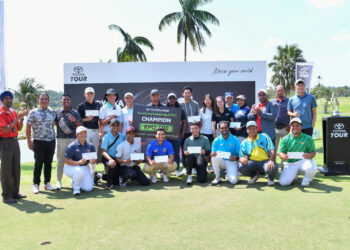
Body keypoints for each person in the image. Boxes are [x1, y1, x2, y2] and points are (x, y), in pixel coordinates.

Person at [0, 91, 28, 204]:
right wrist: (17, 118)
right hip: (5, 142)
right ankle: (6, 195)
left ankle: (15, 192)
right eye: (6, 98)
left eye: (10, 98)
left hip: (15, 141)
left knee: (16, 167)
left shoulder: (13, 112)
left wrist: (21, 119)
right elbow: (5, 130)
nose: (9, 100)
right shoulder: (1, 113)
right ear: (2, 100)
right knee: (6, 169)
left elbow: (19, 128)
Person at [26, 93, 56, 194]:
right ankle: (36, 184)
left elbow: (56, 124)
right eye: (42, 99)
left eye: (45, 99)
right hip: (38, 142)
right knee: (38, 163)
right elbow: (28, 127)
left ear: (48, 100)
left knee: (49, 163)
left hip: (51, 141)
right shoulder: (33, 112)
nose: (43, 101)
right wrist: (29, 141)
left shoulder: (53, 112)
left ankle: (47, 182)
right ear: (38, 100)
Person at [278, 117, 318, 187]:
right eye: (293, 126)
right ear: (290, 127)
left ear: (301, 127)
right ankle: (294, 175)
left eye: (297, 125)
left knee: (312, 167)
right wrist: (282, 156)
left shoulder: (308, 138)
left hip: (303, 161)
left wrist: (310, 156)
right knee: (283, 183)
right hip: (290, 163)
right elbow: (281, 153)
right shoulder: (285, 139)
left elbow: (313, 151)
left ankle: (306, 181)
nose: (295, 127)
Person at [55, 94, 82, 190]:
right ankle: (59, 180)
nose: (66, 101)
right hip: (61, 139)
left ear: (70, 101)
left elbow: (80, 126)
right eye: (64, 100)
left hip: (73, 139)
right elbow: (55, 123)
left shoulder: (75, 112)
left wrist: (74, 120)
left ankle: (73, 179)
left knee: (74, 160)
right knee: (60, 161)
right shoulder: (57, 112)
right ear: (61, 101)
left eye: (68, 100)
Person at [239, 121, 278, 186]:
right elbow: (241, 155)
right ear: (247, 130)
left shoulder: (264, 136)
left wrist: (271, 161)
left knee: (272, 167)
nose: (252, 130)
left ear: (257, 129)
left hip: (266, 161)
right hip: (253, 162)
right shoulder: (244, 142)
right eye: (249, 128)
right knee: (240, 166)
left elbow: (271, 149)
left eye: (253, 128)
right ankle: (254, 176)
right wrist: (242, 159)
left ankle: (270, 178)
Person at [77, 87, 102, 184]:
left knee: (93, 154)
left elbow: (100, 119)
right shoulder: (81, 106)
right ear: (85, 94)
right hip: (85, 132)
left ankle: (92, 176)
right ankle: (84, 176)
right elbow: (78, 120)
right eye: (88, 93)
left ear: (94, 95)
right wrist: (86, 119)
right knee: (85, 153)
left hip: (96, 131)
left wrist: (101, 131)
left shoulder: (98, 105)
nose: (90, 95)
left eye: (91, 93)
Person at [64, 126, 97, 195]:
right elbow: (66, 160)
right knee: (79, 171)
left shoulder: (90, 146)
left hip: (85, 167)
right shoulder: (72, 146)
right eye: (80, 133)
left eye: (84, 133)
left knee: (88, 188)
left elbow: (94, 159)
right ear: (77, 135)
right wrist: (78, 162)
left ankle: (75, 180)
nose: (83, 135)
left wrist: (93, 161)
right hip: (70, 167)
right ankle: (76, 189)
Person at [179, 86, 200, 174]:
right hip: (183, 131)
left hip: (193, 131)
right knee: (184, 149)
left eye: (189, 93)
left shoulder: (195, 104)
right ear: (183, 94)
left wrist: (196, 121)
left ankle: (193, 167)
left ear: (191, 94)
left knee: (193, 149)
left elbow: (198, 116)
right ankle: (184, 166)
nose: (187, 94)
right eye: (185, 93)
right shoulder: (179, 104)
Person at [101, 119, 126, 189]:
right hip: (108, 157)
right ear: (110, 126)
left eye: (117, 125)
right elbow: (103, 152)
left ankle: (99, 176)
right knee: (112, 164)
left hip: (118, 158)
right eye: (113, 125)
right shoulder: (106, 137)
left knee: (116, 182)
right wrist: (111, 159)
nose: (115, 127)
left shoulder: (122, 136)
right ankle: (109, 184)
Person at [166, 92, 187, 176]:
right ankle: (167, 170)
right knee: (166, 153)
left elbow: (184, 122)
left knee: (176, 152)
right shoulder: (164, 109)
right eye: (170, 98)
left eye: (173, 98)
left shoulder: (180, 110)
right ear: (168, 100)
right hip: (166, 136)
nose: (171, 100)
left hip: (176, 135)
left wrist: (182, 133)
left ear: (175, 100)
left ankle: (176, 169)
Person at [271, 85, 290, 152]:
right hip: (274, 129)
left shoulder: (288, 101)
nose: (279, 92)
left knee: (285, 148)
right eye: (278, 90)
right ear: (275, 91)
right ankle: (274, 162)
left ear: (284, 91)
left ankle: (284, 162)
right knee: (274, 149)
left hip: (285, 129)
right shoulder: (272, 102)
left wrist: (290, 124)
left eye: (281, 90)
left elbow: (292, 113)